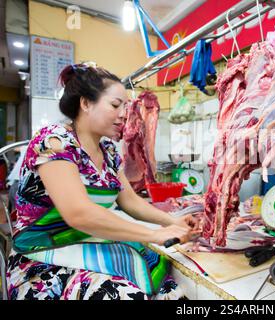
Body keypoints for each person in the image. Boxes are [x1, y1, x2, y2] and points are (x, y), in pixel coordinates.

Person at [6, 62, 200, 300]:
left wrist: (173, 221)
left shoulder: (108, 150)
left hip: (87, 245)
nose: (123, 115)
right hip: (43, 258)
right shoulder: (54, 141)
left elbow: (130, 201)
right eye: (115, 105)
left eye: (125, 107)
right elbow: (79, 213)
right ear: (86, 103)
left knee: (169, 290)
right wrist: (153, 235)